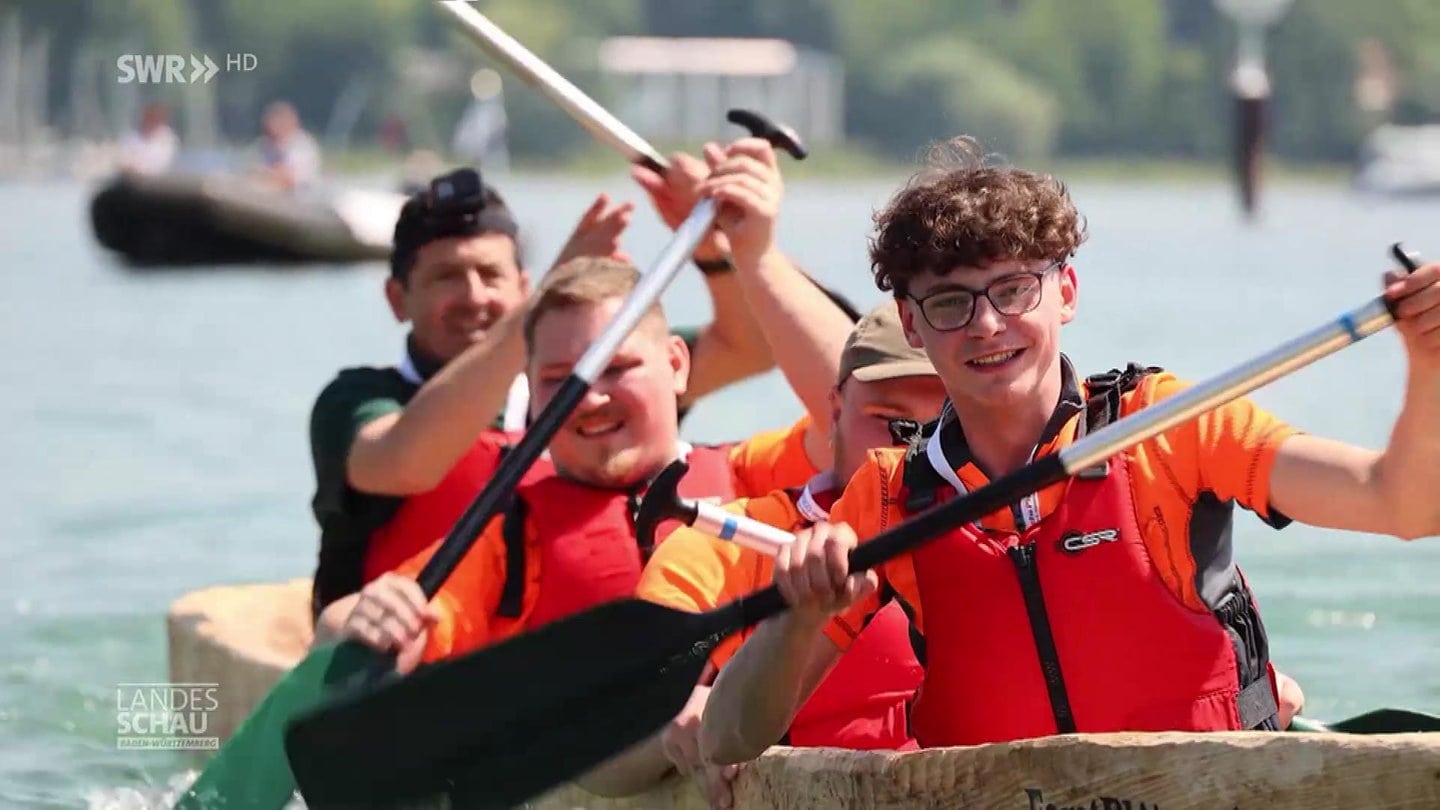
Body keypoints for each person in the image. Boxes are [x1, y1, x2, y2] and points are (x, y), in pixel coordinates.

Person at [700, 136, 1438, 764]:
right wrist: (794, 619)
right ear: (913, 326)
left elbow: (1403, 504)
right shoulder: (888, 500)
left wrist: (1429, 367)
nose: (986, 326)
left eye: (1015, 290)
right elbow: (730, 740)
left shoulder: (1171, 427)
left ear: (1068, 292)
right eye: (951, 303)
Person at [308, 138, 855, 623]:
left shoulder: (620, 382)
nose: (475, 297)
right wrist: (548, 303)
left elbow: (775, 362)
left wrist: (725, 248)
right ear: (397, 300)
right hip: (425, 625)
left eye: (492, 275)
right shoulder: (358, 398)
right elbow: (408, 462)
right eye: (446, 277)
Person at [582, 301, 945, 809]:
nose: (914, 449)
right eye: (890, 421)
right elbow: (599, 743)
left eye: (947, 422)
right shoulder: (721, 546)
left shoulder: (1014, 537)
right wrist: (674, 723)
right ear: (835, 411)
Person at [256, 100, 322, 192]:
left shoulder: (301, 145)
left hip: (298, 196)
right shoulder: (267, 144)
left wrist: (266, 174)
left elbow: (288, 178)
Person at [118, 102, 178, 175]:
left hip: (156, 183)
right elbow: (121, 159)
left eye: (154, 117)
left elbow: (160, 165)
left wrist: (136, 166)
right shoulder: (130, 137)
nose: (150, 120)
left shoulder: (167, 140)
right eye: (148, 116)